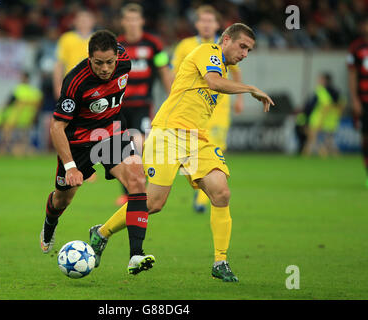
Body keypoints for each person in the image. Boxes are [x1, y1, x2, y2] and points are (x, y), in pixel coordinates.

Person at [89, 23, 274, 282]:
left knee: (221, 192)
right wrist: (250, 88)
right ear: (226, 39)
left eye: (249, 50)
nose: (244, 53)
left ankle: (220, 261)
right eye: (242, 46)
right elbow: (213, 82)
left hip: (197, 138)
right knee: (153, 203)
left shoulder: (224, 67)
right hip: (169, 133)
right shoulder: (209, 51)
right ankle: (102, 233)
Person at [40, 30, 155, 275]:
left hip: (112, 132)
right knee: (63, 199)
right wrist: (70, 167)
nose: (105, 68)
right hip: (79, 142)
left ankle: (136, 254)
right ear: (89, 57)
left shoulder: (125, 61)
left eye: (109, 62)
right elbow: (57, 127)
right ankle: (50, 223)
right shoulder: (75, 82)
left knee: (136, 180)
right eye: (98, 62)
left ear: (117, 56)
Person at [172, 5, 244, 213]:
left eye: (210, 21)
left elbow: (236, 73)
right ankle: (200, 186)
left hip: (218, 108)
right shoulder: (185, 46)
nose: (206, 24)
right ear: (196, 24)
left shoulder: (224, 47)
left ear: (217, 25)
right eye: (202, 20)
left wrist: (240, 99)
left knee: (217, 148)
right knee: (189, 151)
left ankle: (202, 198)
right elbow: (174, 72)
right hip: (192, 108)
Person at [115, 3, 173, 206]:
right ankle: (128, 193)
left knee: (137, 143)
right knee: (121, 150)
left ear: (141, 21)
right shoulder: (116, 45)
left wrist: (173, 97)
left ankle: (140, 188)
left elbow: (165, 70)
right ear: (123, 22)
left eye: (135, 19)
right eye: (128, 19)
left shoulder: (154, 45)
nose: (131, 23)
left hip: (142, 105)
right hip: (119, 106)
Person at [0, 71, 43, 155]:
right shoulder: (34, 92)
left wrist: (1, 113)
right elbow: (39, 105)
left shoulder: (18, 90)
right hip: (27, 120)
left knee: (4, 129)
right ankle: (22, 148)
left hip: (15, 118)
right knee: (23, 136)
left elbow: (8, 104)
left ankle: (5, 148)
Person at [53, 9, 96, 100]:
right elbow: (59, 64)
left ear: (93, 21)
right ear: (75, 22)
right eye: (80, 19)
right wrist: (57, 86)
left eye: (86, 19)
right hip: (70, 87)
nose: (83, 22)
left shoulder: (98, 39)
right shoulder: (66, 38)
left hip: (94, 87)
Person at [301, 73, 345, 157]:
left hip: (318, 118)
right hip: (330, 120)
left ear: (324, 80)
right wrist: (337, 114)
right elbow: (342, 104)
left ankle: (322, 153)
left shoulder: (321, 90)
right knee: (323, 140)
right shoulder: (335, 91)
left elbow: (326, 105)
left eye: (320, 79)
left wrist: (322, 118)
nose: (317, 81)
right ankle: (309, 154)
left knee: (313, 138)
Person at [348, 17, 368, 188]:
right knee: (366, 138)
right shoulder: (356, 47)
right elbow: (352, 75)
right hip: (364, 101)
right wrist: (354, 99)